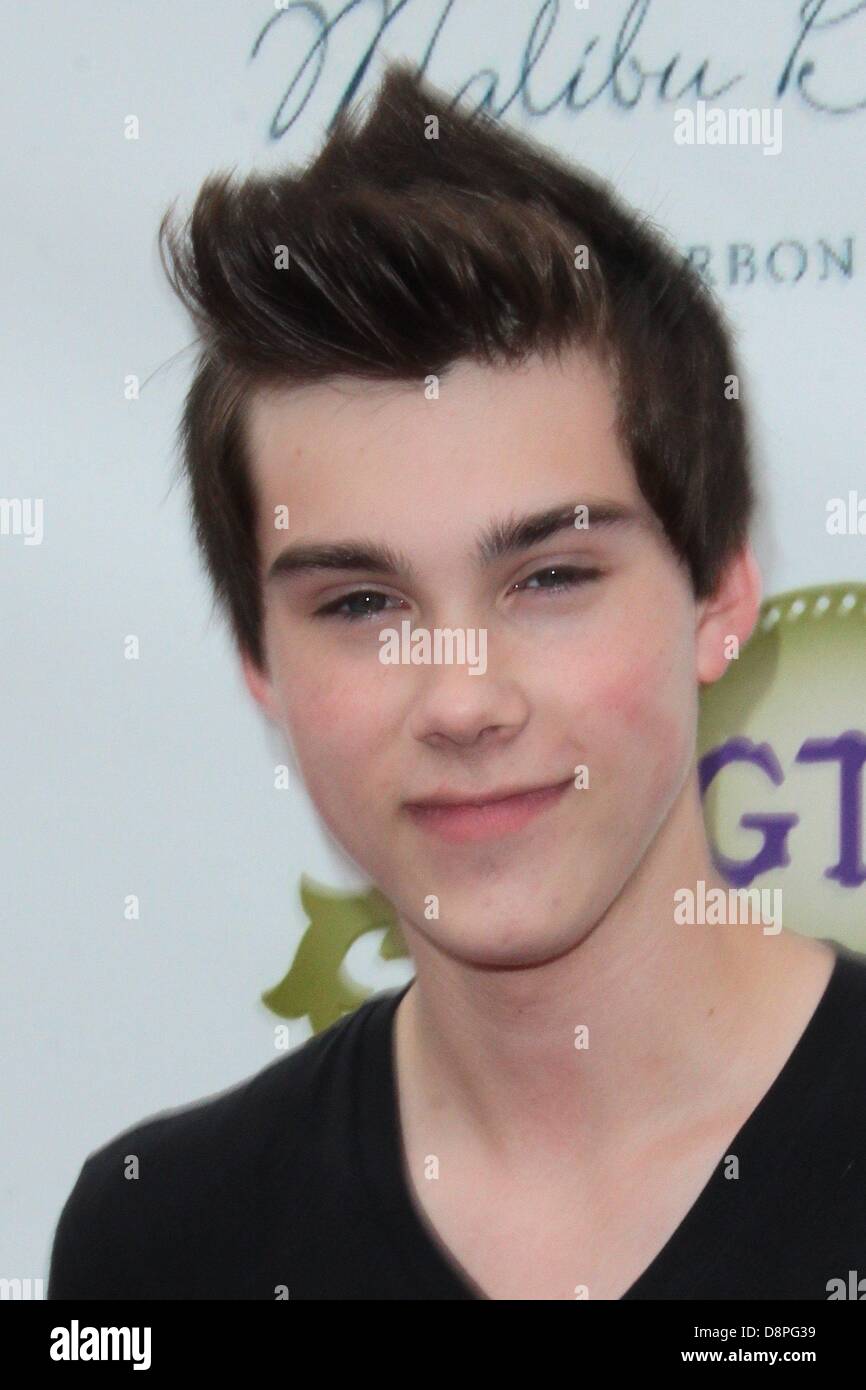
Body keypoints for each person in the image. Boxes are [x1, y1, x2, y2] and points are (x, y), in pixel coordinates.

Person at [48, 60, 866, 1301]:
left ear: (717, 597)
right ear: (260, 664)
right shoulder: (163, 1242)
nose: (461, 698)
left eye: (548, 578)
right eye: (361, 604)